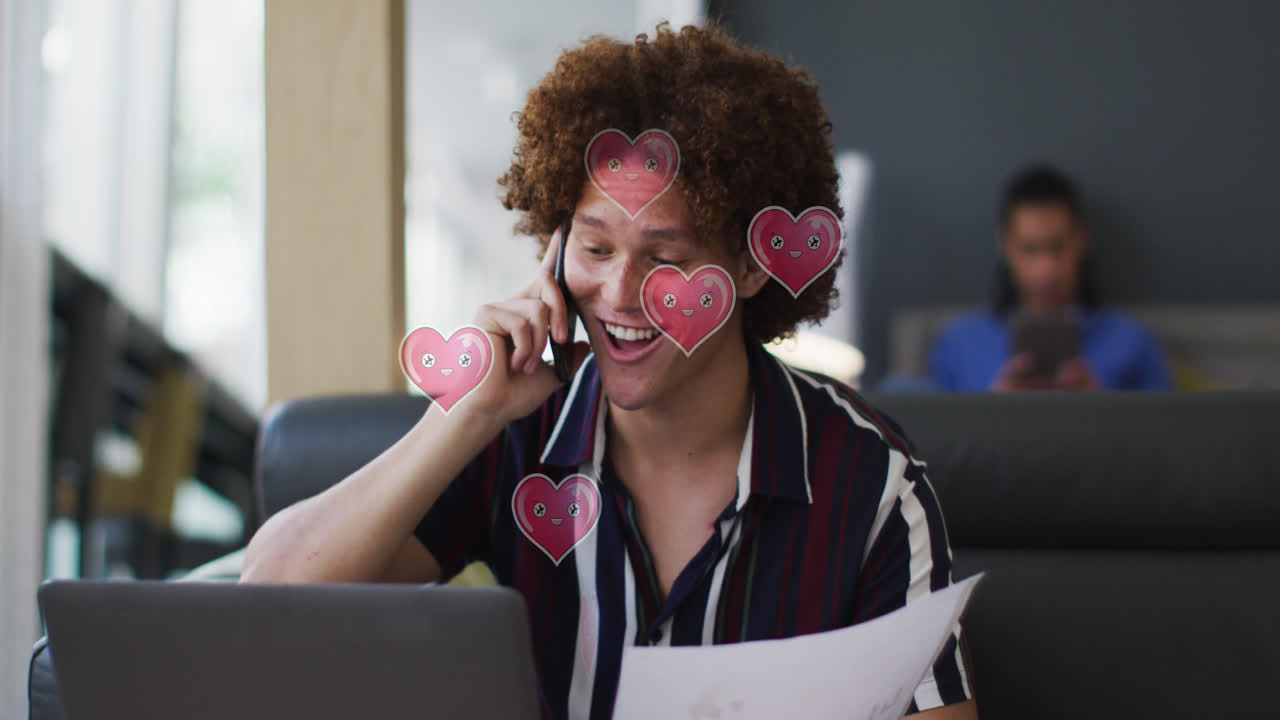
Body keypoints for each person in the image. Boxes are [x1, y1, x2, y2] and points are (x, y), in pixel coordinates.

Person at [242, 24, 976, 719]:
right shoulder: (515, 435)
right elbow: (265, 603)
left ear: (752, 265)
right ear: (553, 247)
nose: (620, 295)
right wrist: (467, 411)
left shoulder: (870, 478)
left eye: (667, 258)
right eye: (594, 249)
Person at [930, 165, 1173, 391]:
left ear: (1082, 240)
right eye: (1030, 249)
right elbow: (930, 434)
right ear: (1004, 244)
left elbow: (1170, 432)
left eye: (1058, 247)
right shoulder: (959, 345)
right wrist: (996, 415)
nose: (1046, 269)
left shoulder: (1133, 343)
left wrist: (1099, 410)